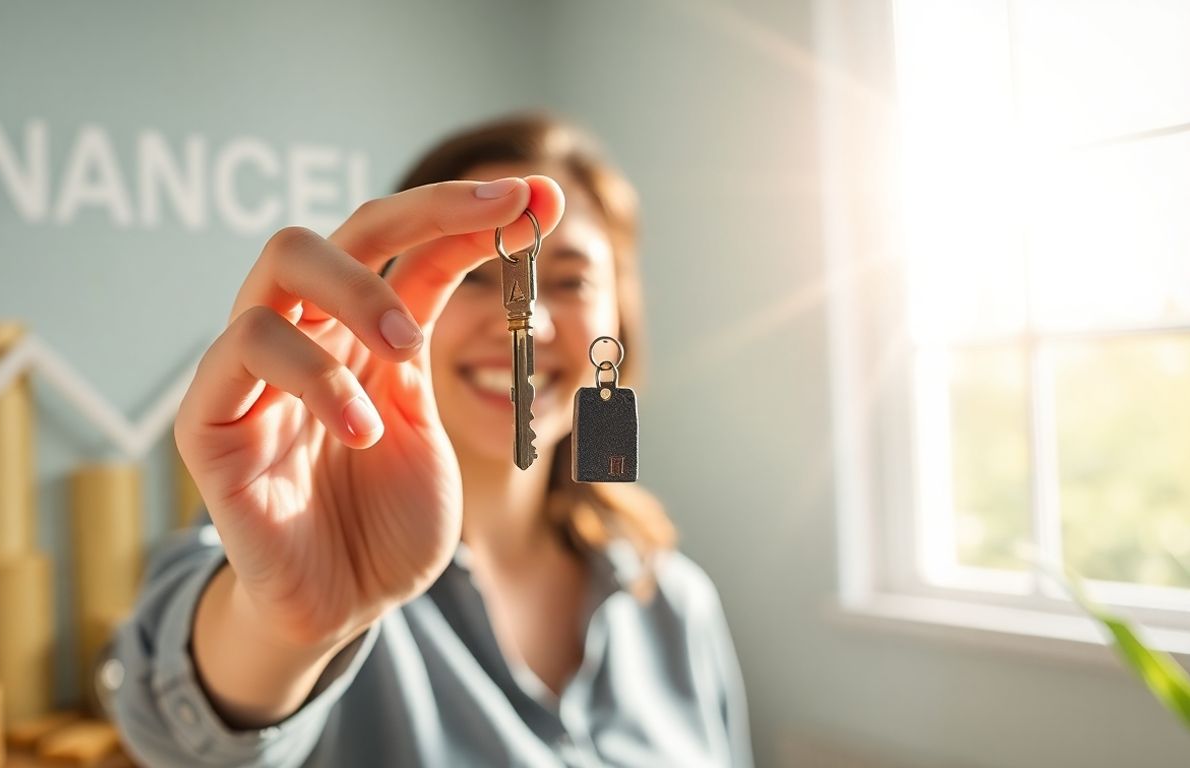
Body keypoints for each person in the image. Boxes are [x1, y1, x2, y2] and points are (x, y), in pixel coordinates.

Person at [108, 113, 755, 767]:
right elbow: (168, 726)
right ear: (388, 302)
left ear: (620, 316)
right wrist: (280, 632)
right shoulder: (316, 539)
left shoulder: (676, 604)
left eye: (571, 280)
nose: (523, 321)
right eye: (474, 274)